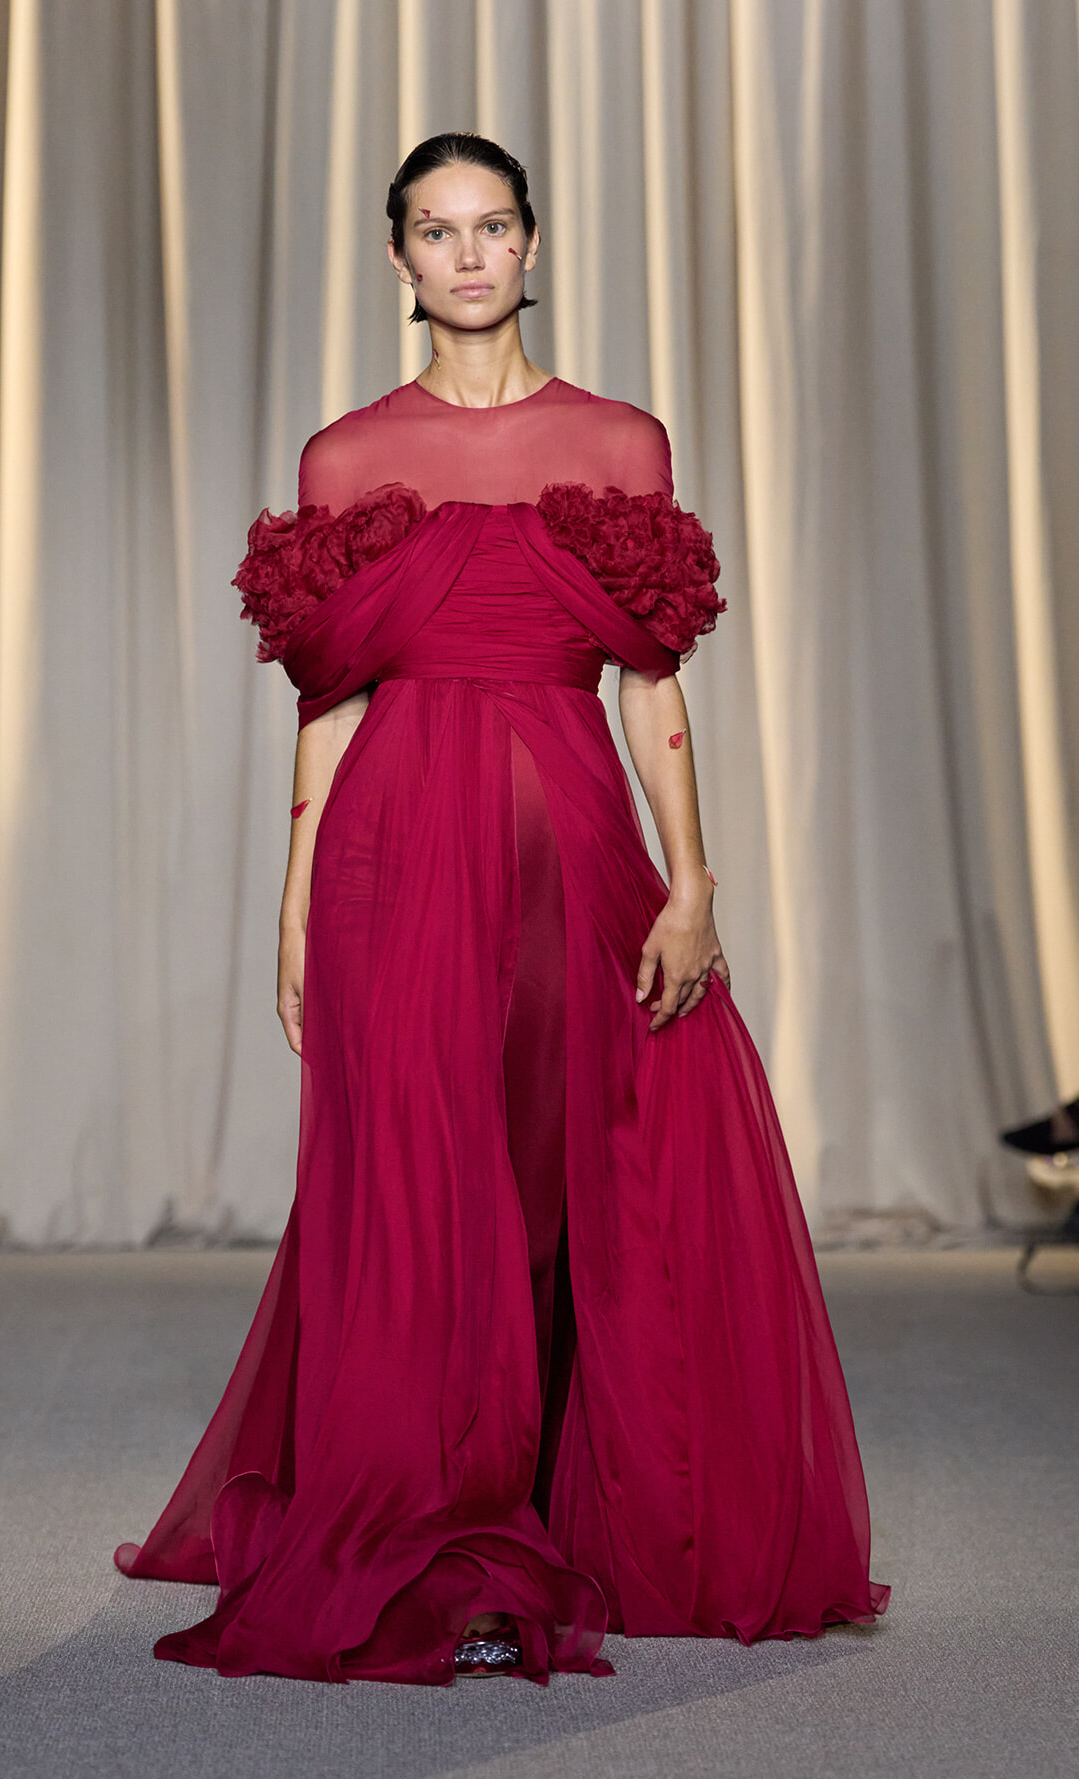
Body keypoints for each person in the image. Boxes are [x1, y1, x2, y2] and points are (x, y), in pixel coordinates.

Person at [115, 132, 889, 1685]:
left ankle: (576, 1512)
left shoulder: (617, 441)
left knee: (576, 1171)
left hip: (576, 861)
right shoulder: (346, 457)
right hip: (394, 862)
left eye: (491, 227)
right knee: (423, 1192)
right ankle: (442, 1544)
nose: (466, 256)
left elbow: (653, 679)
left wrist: (696, 879)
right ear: (397, 264)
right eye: (432, 231)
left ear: (533, 245)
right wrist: (289, 910)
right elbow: (327, 705)